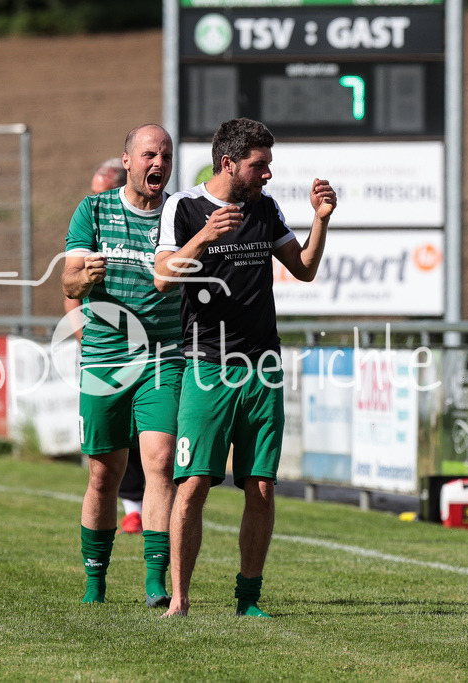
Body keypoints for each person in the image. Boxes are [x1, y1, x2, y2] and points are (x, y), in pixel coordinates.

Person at [154, 117, 336, 618]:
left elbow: (304, 268)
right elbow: (163, 278)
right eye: (260, 165)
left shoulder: (265, 207)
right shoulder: (184, 207)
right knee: (193, 485)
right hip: (207, 367)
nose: (268, 174)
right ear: (229, 163)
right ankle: (179, 600)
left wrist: (321, 219)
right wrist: (204, 237)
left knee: (261, 487)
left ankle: (248, 599)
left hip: (263, 366)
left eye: (269, 164)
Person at [62, 124, 183, 607]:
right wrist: (83, 278)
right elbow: (69, 284)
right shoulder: (92, 210)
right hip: (107, 355)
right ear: (128, 160)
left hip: (164, 355)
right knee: (103, 474)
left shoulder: (179, 213)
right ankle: (95, 582)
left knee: (161, 463)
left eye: (166, 156)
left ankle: (156, 581)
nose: (159, 164)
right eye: (150, 155)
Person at [68, 157, 148, 535]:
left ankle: (149, 516)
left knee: (154, 441)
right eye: (93, 192)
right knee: (110, 449)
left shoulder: (156, 220)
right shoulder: (91, 219)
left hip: (154, 352)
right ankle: (132, 507)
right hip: (105, 352)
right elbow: (71, 291)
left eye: (102, 192)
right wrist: (85, 340)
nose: (96, 199)